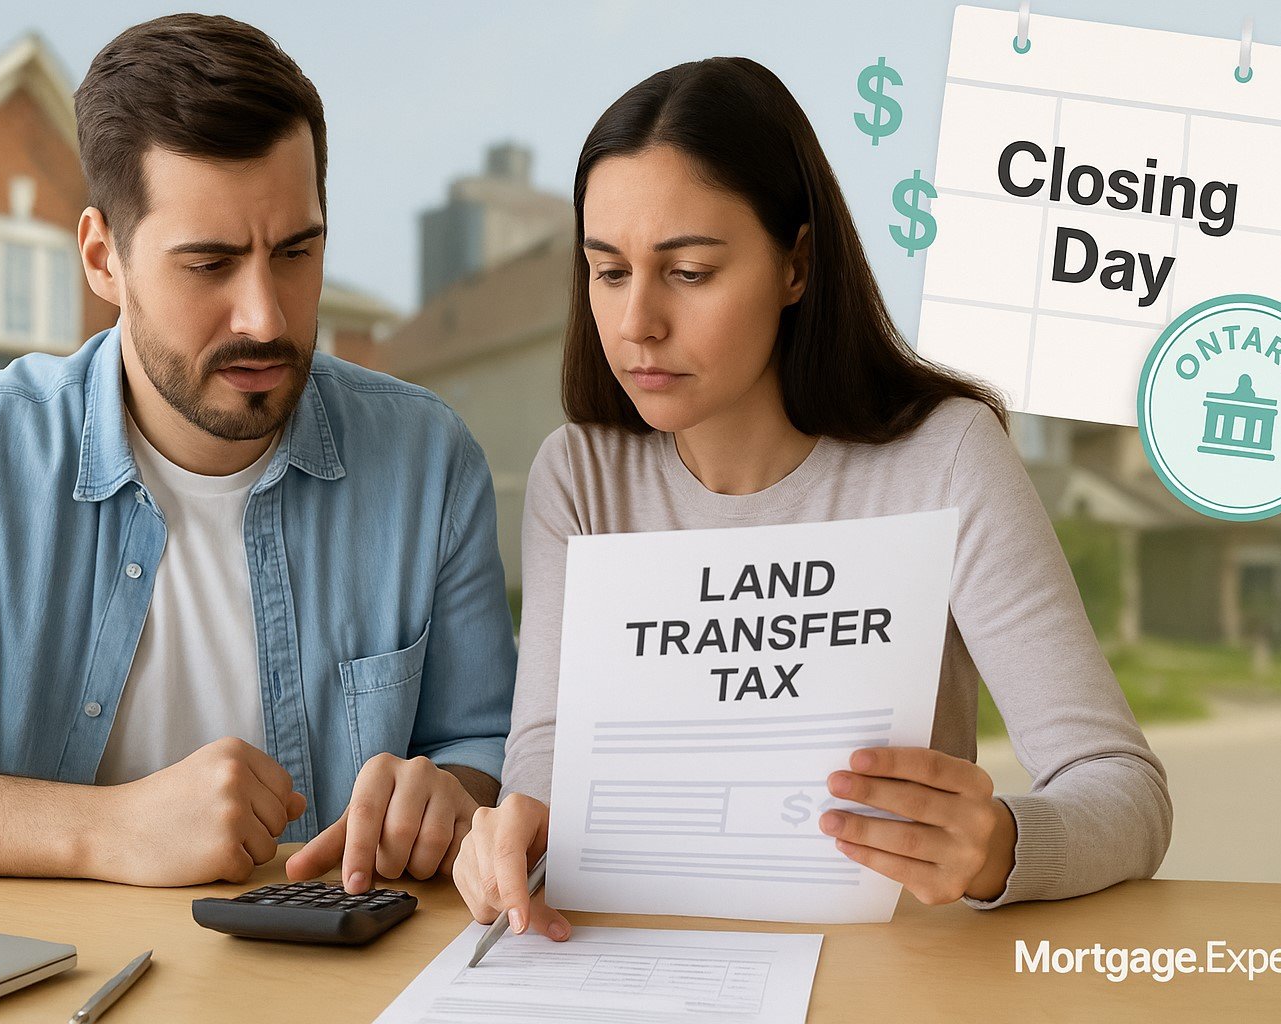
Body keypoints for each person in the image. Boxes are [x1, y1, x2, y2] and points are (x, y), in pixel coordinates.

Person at [453, 56, 1172, 939]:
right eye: (608, 272)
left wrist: (1001, 845)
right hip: (636, 963)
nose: (637, 320)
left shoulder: (945, 459)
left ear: (796, 264)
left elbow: (1125, 789)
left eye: (688, 272)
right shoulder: (580, 475)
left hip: (885, 973)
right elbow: (547, 752)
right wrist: (520, 828)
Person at [0, 14, 517, 891]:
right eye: (209, 264)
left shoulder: (429, 461)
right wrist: (103, 830)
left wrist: (448, 796)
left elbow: (487, 744)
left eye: (296, 252)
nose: (265, 317)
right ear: (102, 258)